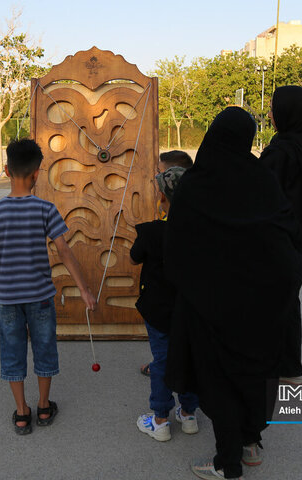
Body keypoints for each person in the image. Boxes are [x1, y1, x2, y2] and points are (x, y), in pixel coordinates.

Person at [163, 107, 302, 479]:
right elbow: (285, 234)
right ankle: (250, 443)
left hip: (210, 305)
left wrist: (193, 287)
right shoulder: (262, 179)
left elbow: (176, 245)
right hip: (262, 304)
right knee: (255, 375)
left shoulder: (196, 184)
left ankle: (228, 462)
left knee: (218, 380)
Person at [0, 138, 96, 435]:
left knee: (12, 352)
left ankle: (23, 413)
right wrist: (85, 290)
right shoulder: (46, 209)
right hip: (40, 298)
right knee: (45, 349)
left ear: (6, 170)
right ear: (37, 174)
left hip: (8, 300)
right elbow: (65, 251)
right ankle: (44, 405)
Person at [132, 166, 200, 442]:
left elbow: (134, 258)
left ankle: (160, 420)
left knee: (161, 360)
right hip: (190, 309)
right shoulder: (201, 232)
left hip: (159, 310)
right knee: (189, 358)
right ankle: (189, 414)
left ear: (162, 197)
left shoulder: (151, 232)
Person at [261, 86, 302, 384]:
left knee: (273, 302)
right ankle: (289, 367)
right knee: (289, 299)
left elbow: (262, 197)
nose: (271, 114)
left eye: (274, 108)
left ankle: (275, 366)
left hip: (279, 238)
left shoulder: (280, 151)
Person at [140, 150, 194, 378]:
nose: (156, 180)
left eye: (160, 174)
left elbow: (137, 255)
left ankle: (161, 411)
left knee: (166, 338)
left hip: (165, 298)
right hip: (184, 298)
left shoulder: (157, 229)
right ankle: (187, 408)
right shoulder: (195, 219)